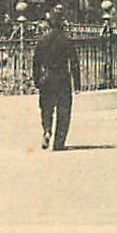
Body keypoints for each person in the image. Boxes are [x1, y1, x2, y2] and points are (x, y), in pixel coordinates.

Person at [33, 8, 80, 151]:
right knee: (63, 111)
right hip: (62, 80)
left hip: (47, 79)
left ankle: (47, 130)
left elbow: (36, 62)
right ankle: (59, 143)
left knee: (46, 108)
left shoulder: (42, 40)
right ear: (61, 23)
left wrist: (37, 80)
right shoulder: (67, 40)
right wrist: (77, 84)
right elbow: (74, 63)